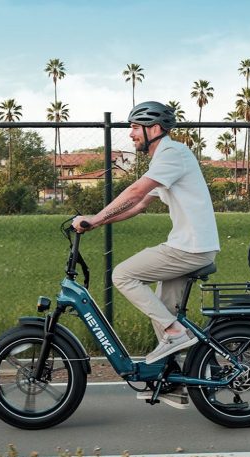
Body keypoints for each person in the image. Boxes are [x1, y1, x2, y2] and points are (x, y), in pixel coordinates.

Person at [72, 101, 220, 364]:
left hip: (190, 247)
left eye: (134, 128)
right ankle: (172, 379)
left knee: (123, 274)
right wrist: (97, 223)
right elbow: (138, 205)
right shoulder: (167, 158)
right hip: (193, 246)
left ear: (155, 128)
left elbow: (136, 192)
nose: (131, 134)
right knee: (162, 310)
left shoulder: (173, 152)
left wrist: (96, 216)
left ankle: (175, 333)